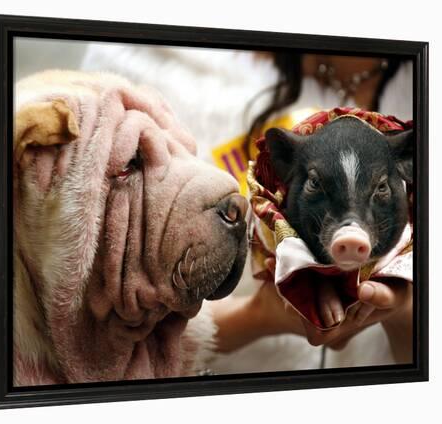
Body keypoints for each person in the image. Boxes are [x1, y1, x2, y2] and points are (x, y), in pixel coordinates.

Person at [79, 44, 413, 372]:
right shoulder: (153, 59)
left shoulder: (423, 78)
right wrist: (260, 316)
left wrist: (406, 308)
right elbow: (87, 319)